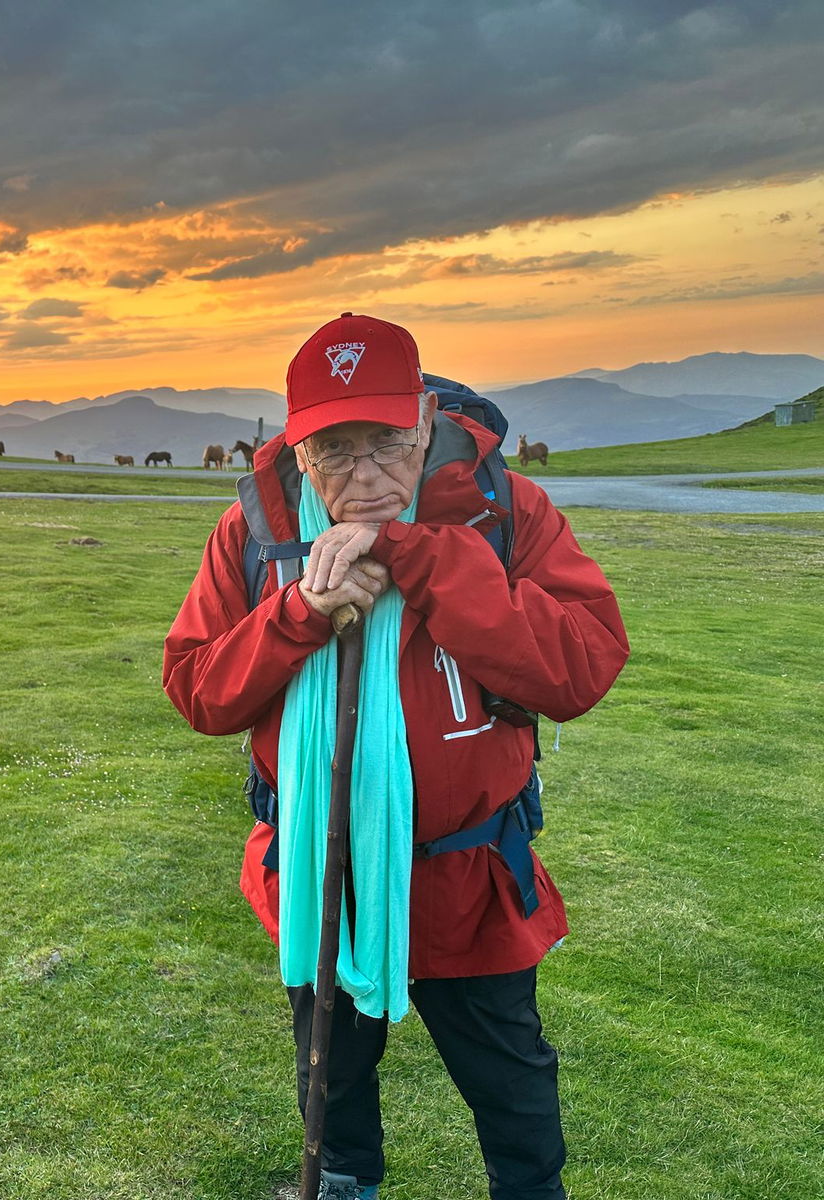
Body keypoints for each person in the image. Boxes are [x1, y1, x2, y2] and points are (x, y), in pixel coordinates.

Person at [162, 313, 629, 1200]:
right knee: (330, 1075)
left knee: (512, 1082)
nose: (367, 478)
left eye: (385, 442)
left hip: (469, 877)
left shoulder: (502, 512)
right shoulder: (258, 533)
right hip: (319, 871)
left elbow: (581, 666)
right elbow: (198, 690)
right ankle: (345, 1184)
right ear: (299, 451)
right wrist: (299, 611)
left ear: (424, 419)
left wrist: (418, 556)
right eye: (336, 452)